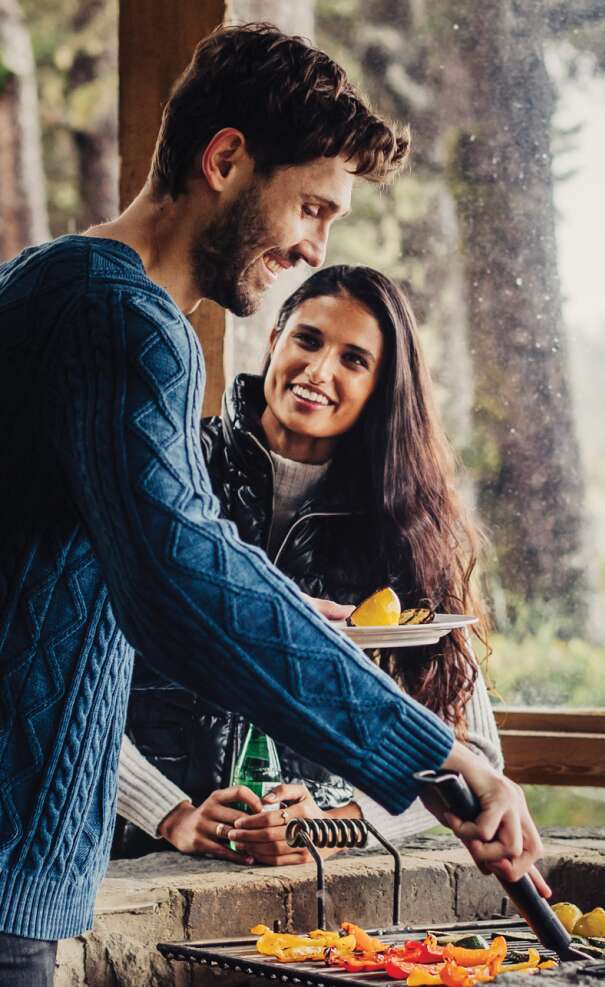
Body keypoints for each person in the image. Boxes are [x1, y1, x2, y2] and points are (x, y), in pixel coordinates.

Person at [0, 24, 543, 987]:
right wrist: (439, 758)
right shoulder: (127, 323)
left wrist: (272, 604)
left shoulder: (31, 288)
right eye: (311, 205)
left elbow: (123, 555)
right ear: (226, 158)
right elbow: (178, 586)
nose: (314, 245)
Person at [112, 265, 499, 865]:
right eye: (308, 340)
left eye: (354, 360)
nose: (319, 372)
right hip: (128, 860)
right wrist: (167, 810)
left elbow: (476, 759)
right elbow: (74, 673)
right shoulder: (170, 471)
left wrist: (329, 827)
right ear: (274, 342)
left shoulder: (412, 527)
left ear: (383, 386)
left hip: (308, 887)